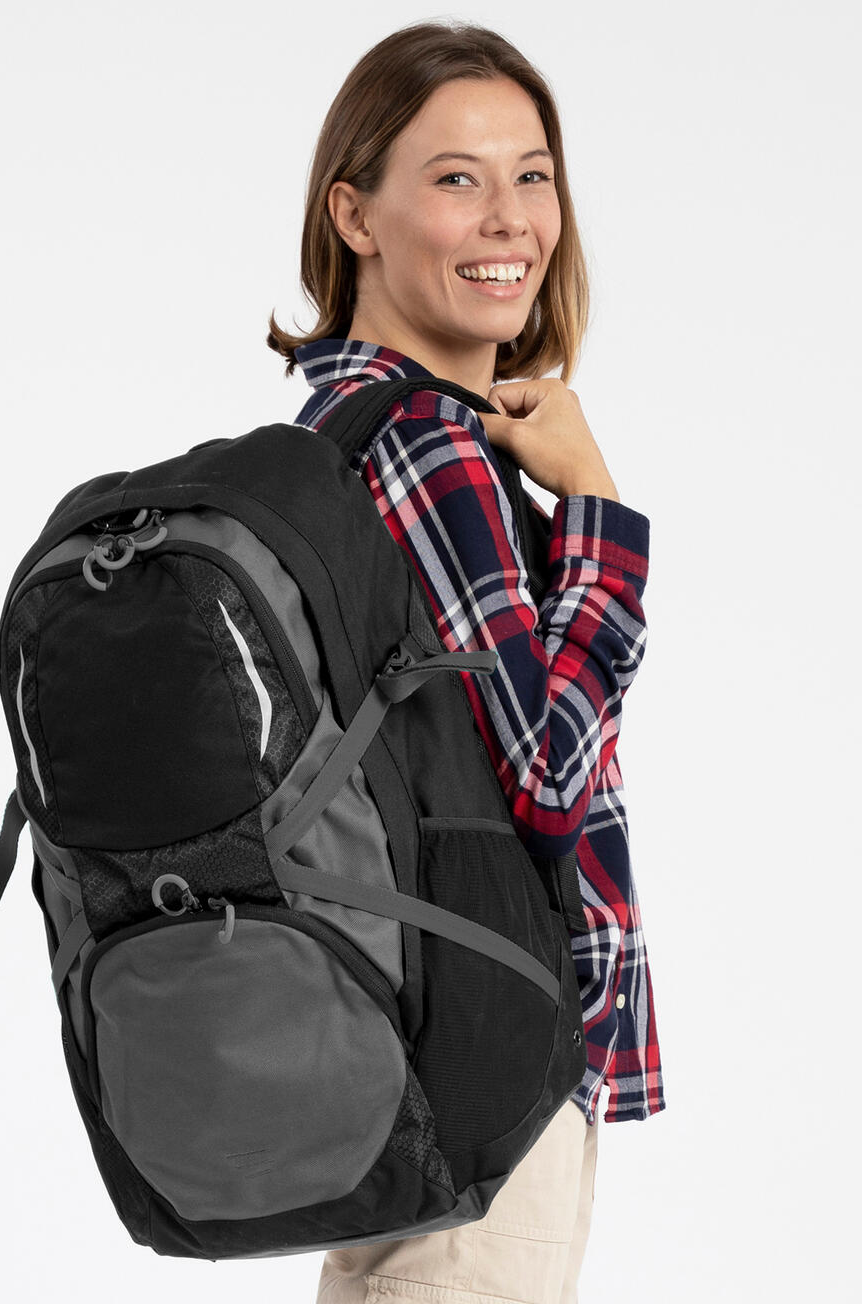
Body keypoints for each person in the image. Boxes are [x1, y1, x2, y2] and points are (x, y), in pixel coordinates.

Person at [267, 19, 666, 1304]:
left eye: (531, 175)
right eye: (455, 178)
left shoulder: (332, 431)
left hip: (403, 1063)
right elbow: (545, 775)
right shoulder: (432, 450)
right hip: (498, 1081)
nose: (511, 221)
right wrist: (597, 507)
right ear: (355, 214)